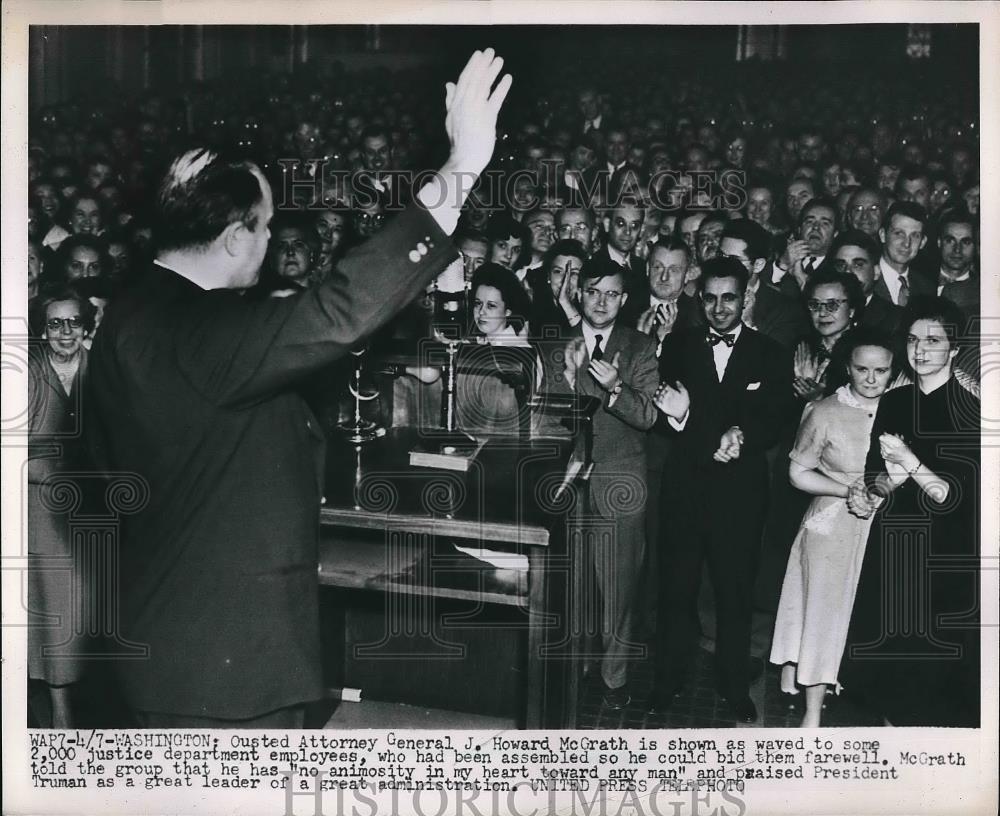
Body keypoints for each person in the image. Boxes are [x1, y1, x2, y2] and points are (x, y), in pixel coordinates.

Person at [85, 49, 513, 728]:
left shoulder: (128, 315)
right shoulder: (210, 334)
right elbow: (342, 308)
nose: (269, 240)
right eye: (265, 226)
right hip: (226, 673)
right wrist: (462, 166)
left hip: (159, 645)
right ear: (234, 239)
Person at [648, 257, 791, 722]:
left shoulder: (770, 353)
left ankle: (733, 684)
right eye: (709, 298)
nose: (719, 308)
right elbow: (668, 418)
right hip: (685, 491)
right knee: (676, 591)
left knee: (734, 595)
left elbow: (772, 420)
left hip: (741, 496)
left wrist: (741, 435)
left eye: (729, 297)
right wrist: (714, 431)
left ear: (747, 295)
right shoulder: (677, 346)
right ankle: (667, 680)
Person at [842, 297, 980, 727]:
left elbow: (950, 495)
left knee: (929, 677)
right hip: (895, 542)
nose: (920, 350)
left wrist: (906, 456)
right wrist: (870, 492)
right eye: (913, 339)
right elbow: (875, 470)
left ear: (954, 349)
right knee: (884, 672)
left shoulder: (970, 410)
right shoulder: (895, 401)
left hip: (943, 551)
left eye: (934, 340)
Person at [542, 253, 659, 709]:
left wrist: (614, 388)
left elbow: (648, 415)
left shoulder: (639, 347)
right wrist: (568, 382)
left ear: (624, 299)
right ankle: (572, 669)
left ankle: (614, 680)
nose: (602, 301)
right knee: (568, 583)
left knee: (617, 586)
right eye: (593, 291)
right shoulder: (557, 345)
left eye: (612, 294)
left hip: (620, 478)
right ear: (579, 293)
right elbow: (545, 417)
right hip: (568, 480)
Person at [769, 328, 897, 727]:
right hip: (830, 521)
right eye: (862, 369)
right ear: (848, 368)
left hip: (878, 524)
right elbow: (797, 473)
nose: (871, 379)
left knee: (856, 613)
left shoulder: (901, 408)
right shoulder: (825, 411)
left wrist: (880, 490)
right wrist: (848, 490)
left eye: (881, 370)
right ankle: (811, 712)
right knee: (820, 613)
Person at [27, 285, 98, 727]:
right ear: (42, 330)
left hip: (98, 507)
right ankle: (59, 712)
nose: (65, 331)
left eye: (74, 321)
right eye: (55, 323)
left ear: (87, 327)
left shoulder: (103, 370)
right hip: (40, 511)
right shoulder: (26, 375)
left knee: (93, 610)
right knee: (53, 611)